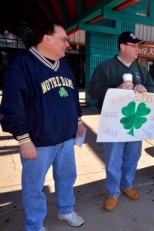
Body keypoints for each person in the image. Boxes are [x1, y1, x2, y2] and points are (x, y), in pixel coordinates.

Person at [0, 21, 86, 231]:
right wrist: (23, 139)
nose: (68, 44)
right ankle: (34, 225)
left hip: (65, 137)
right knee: (34, 187)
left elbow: (73, 96)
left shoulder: (64, 65)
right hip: (38, 142)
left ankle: (65, 209)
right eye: (63, 39)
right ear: (47, 39)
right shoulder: (21, 63)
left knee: (66, 177)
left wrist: (78, 120)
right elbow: (13, 105)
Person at [88, 31, 154, 212]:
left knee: (133, 155)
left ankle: (127, 185)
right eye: (134, 46)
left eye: (138, 46)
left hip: (135, 120)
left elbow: (152, 87)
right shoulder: (106, 67)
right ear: (122, 47)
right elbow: (93, 92)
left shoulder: (141, 69)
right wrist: (116, 89)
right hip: (113, 122)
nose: (137, 49)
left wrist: (145, 89)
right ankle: (112, 192)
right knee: (113, 159)